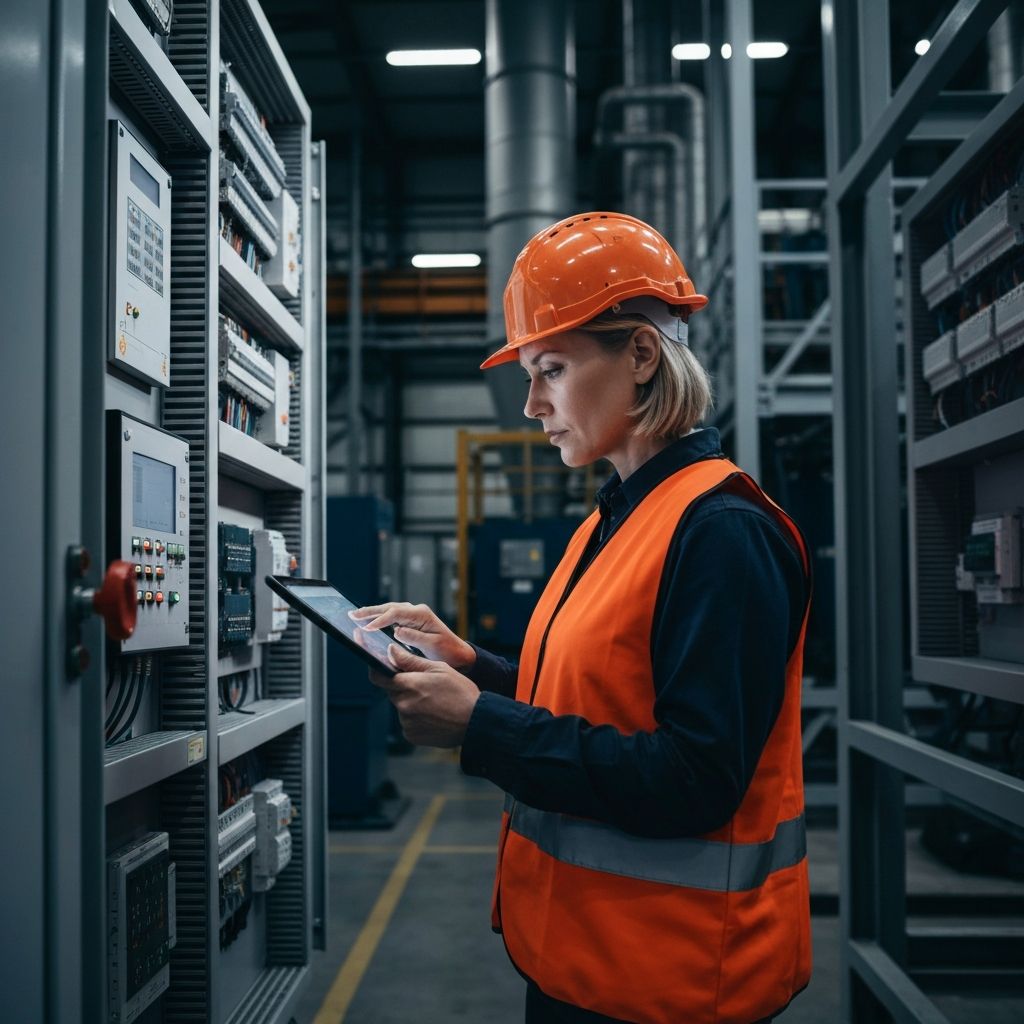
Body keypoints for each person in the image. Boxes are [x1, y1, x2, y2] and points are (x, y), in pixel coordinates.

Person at [350, 212, 812, 1024]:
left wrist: (481, 727)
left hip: (673, 981)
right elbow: (598, 696)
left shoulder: (722, 530)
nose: (532, 403)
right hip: (587, 959)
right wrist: (473, 669)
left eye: (552, 369)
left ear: (640, 355)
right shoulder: (615, 518)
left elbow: (697, 779)